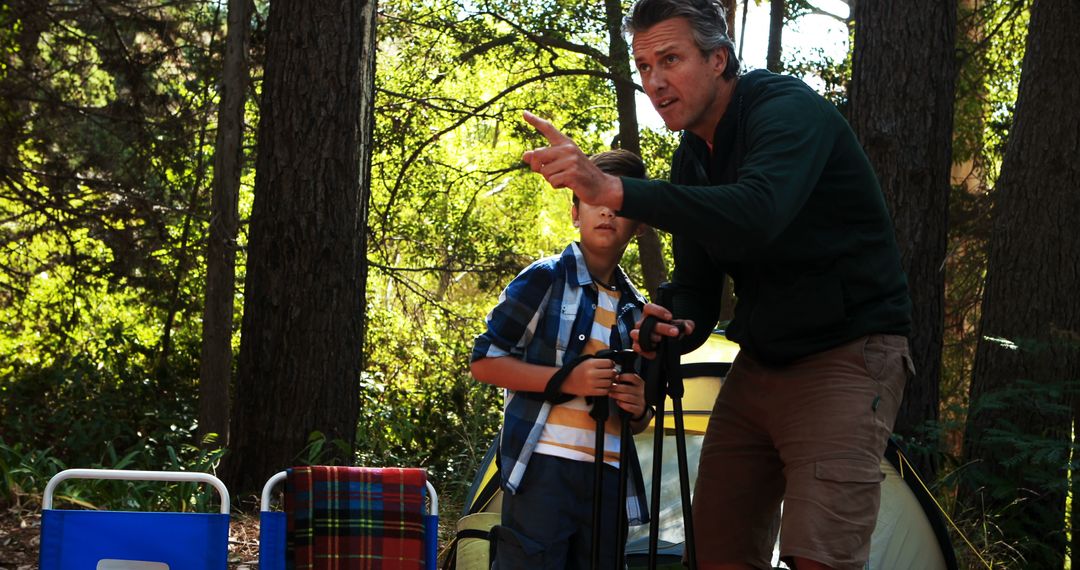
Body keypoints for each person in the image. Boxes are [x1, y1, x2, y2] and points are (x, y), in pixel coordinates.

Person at [520, 0, 914, 568]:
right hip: (761, 363)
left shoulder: (784, 110)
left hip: (848, 356)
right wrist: (672, 321)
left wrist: (612, 189)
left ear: (719, 59)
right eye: (644, 66)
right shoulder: (692, 159)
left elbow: (757, 211)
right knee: (716, 551)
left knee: (818, 555)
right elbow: (699, 295)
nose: (655, 82)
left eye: (671, 60)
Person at [471, 149, 657, 569]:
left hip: (610, 478)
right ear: (575, 212)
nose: (606, 213)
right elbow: (484, 362)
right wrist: (567, 381)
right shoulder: (545, 278)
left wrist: (638, 405)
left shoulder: (637, 311)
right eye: (593, 201)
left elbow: (639, 419)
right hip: (542, 470)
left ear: (640, 224)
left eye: (619, 206)